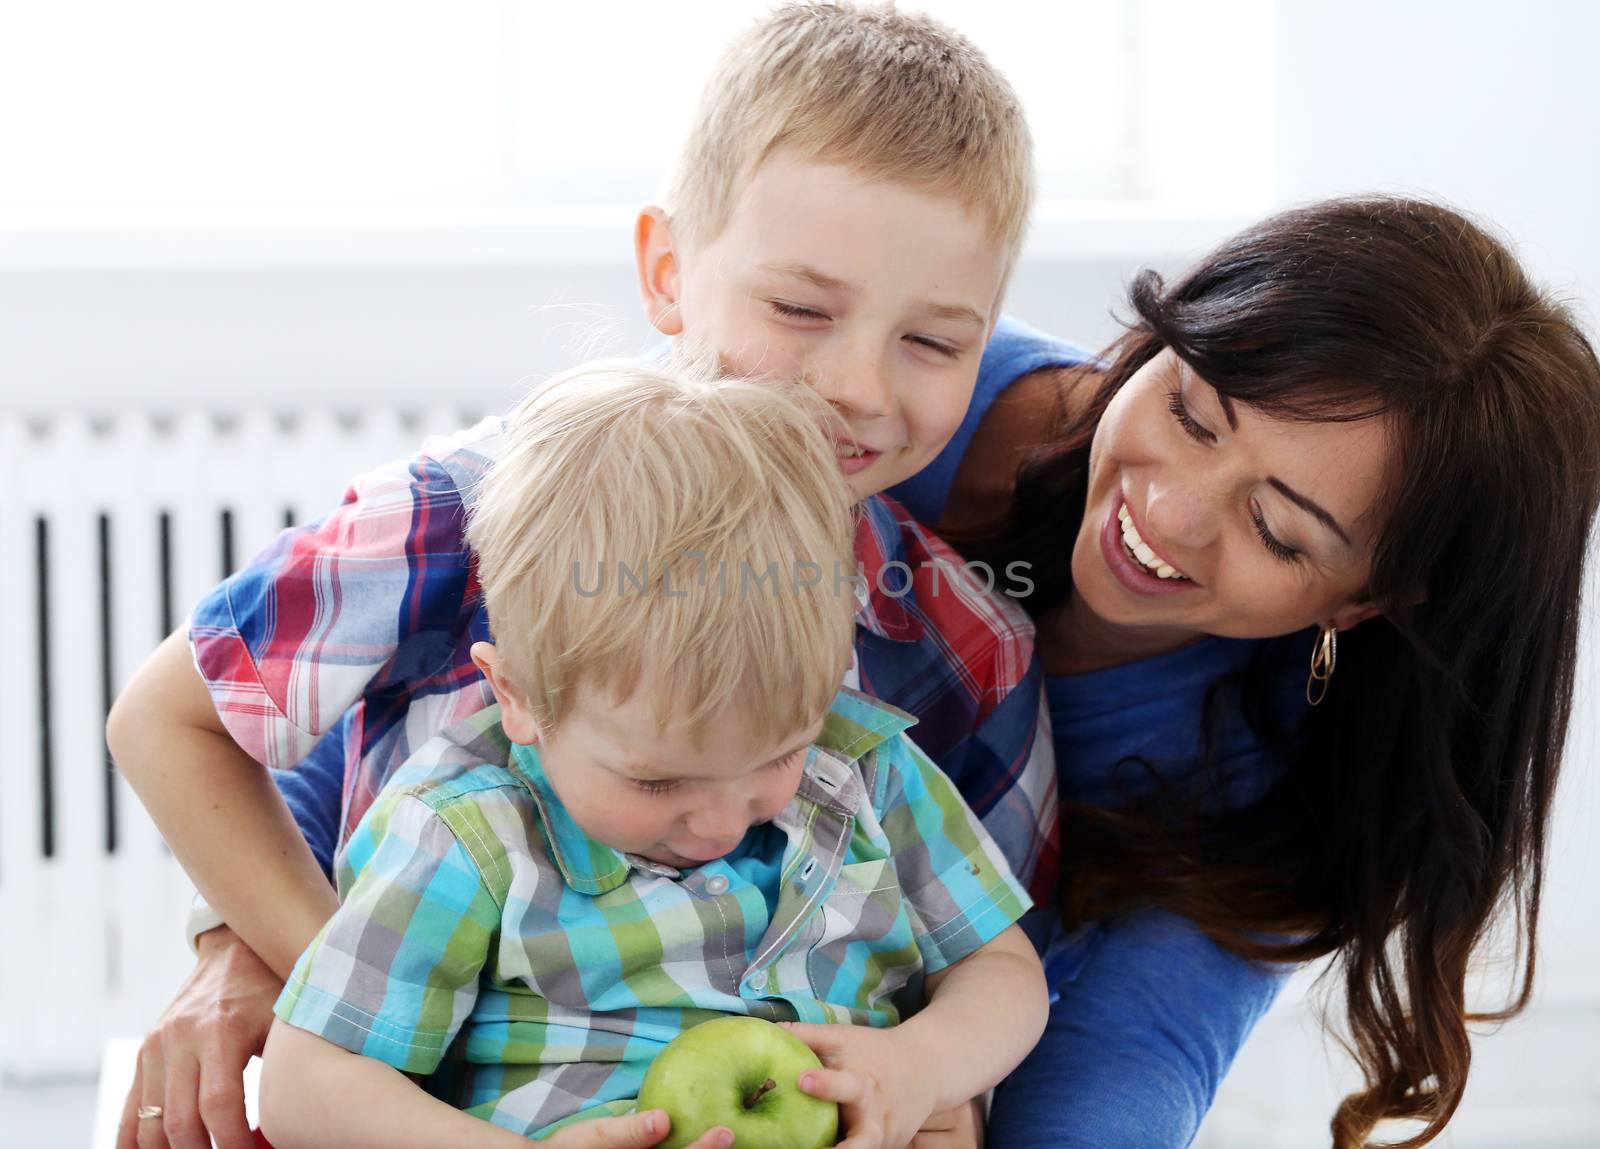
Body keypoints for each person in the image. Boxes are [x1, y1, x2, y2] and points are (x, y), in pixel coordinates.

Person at [108, 7, 1053, 1148]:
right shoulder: (459, 516)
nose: (855, 385)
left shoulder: (962, 648)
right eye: (799, 309)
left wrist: (943, 1090)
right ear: (666, 268)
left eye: (935, 342)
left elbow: (995, 971)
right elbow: (167, 721)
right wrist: (335, 989)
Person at [887, 197, 1600, 1148]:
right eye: (1191, 413)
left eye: (1277, 527)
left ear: (1366, 600)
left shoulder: (1268, 818)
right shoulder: (912, 392)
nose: (1172, 511)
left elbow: (1127, 1071)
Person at [253, 358, 1047, 1148]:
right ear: (519, 695)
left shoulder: (868, 769)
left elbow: (1005, 974)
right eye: (658, 778)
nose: (720, 821)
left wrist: (922, 1062)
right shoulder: (470, 834)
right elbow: (305, 1085)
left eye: (778, 755)